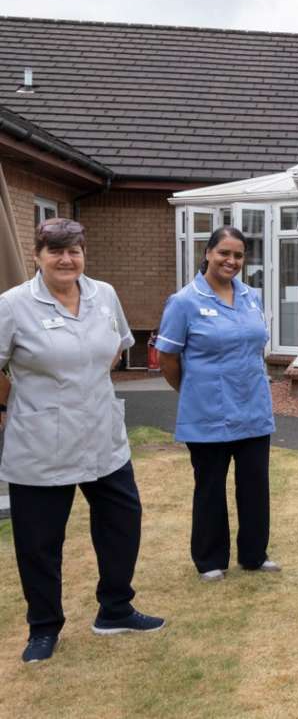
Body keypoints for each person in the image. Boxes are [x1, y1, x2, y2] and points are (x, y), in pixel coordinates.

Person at [0, 218, 164, 664]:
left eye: (74, 250)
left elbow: (117, 347)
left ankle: (115, 609)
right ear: (38, 255)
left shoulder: (103, 294)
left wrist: (83, 380)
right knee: (39, 542)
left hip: (101, 434)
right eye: (55, 251)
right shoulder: (13, 305)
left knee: (121, 523)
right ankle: (44, 627)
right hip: (41, 442)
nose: (66, 259)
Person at [156, 226, 280, 582]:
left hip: (254, 409)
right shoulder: (185, 301)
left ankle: (255, 555)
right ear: (208, 253)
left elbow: (256, 345)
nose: (231, 260)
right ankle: (210, 560)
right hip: (207, 412)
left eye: (238, 255)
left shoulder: (251, 296)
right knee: (210, 486)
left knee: (255, 486)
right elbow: (167, 357)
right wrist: (193, 389)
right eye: (224, 252)